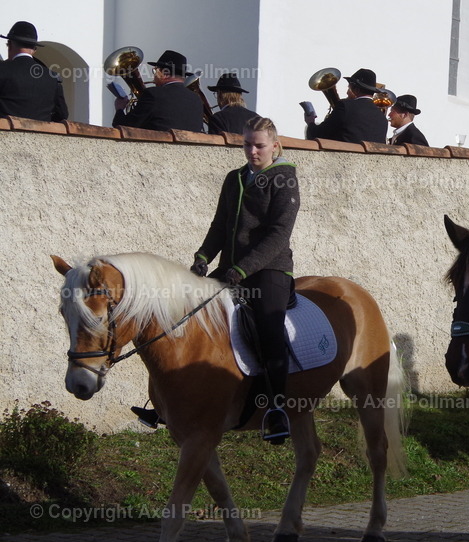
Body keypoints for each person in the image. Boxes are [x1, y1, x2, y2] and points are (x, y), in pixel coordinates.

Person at [192, 116, 299, 443]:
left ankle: (277, 409)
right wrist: (202, 258)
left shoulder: (285, 181)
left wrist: (242, 269)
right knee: (190, 316)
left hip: (270, 270)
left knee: (269, 329)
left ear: (275, 146)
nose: (252, 151)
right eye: (247, 144)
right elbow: (220, 225)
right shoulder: (234, 178)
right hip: (232, 268)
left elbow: (279, 235)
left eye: (259, 145)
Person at [112, 50, 204, 133]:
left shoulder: (153, 94)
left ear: (165, 73)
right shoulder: (197, 99)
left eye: (155, 70)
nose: (154, 76)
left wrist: (119, 109)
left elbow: (124, 127)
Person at [0, 21, 68, 122]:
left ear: (9, 44)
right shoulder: (52, 77)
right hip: (40, 135)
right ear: (34, 49)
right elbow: (62, 115)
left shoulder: (2, 69)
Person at [304, 67, 387, 144]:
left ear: (356, 89)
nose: (347, 92)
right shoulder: (383, 118)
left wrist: (310, 123)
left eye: (349, 88)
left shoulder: (345, 106)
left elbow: (320, 134)